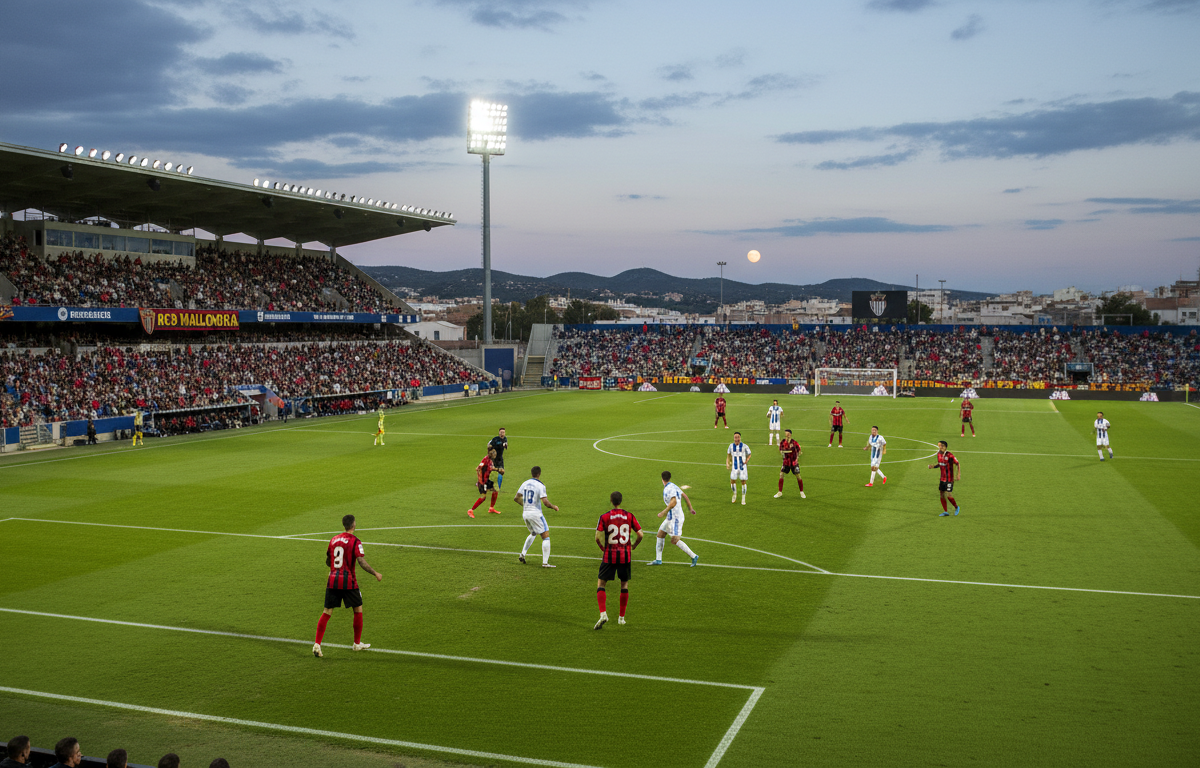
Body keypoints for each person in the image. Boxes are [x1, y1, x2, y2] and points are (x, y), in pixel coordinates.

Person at [313, 514, 382, 658]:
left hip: (332, 580)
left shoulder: (333, 540)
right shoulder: (355, 541)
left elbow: (328, 560)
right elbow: (361, 562)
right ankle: (357, 644)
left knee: (327, 612)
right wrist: (375, 573)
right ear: (354, 524)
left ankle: (317, 644)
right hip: (349, 581)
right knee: (358, 609)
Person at [594, 490, 644, 629]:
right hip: (625, 555)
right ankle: (621, 618)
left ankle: (603, 613)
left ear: (611, 501)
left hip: (609, 555)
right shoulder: (629, 516)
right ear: (621, 501)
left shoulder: (604, 517)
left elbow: (597, 537)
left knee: (601, 584)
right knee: (624, 585)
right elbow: (640, 534)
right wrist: (633, 545)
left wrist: (604, 550)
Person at [649, 470, 699, 566]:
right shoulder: (673, 485)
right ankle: (658, 559)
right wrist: (690, 508)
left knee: (674, 540)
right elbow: (684, 495)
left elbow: (673, 502)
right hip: (670, 517)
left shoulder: (668, 489)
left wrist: (664, 512)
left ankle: (694, 556)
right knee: (660, 534)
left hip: (675, 518)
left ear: (662, 479)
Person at [515, 466, 559, 567]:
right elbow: (545, 502)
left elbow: (516, 498)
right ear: (539, 474)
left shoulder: (524, 483)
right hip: (536, 514)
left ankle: (523, 554)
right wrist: (554, 507)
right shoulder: (540, 485)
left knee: (533, 533)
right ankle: (545, 562)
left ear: (532, 473)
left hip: (525, 513)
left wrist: (526, 505)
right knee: (545, 536)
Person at [928, 440, 961, 516]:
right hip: (942, 479)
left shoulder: (950, 455)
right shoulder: (938, 454)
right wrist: (933, 466)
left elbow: (957, 463)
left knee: (949, 495)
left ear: (945, 447)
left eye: (941, 446)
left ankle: (956, 507)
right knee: (942, 494)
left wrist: (958, 474)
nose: (940, 447)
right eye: (939, 446)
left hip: (949, 479)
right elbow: (940, 464)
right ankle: (945, 511)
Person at [468, 448, 500, 518]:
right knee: (483, 497)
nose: (495, 453)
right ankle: (471, 510)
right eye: (493, 452)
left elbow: (491, 468)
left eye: (495, 452)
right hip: (482, 482)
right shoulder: (485, 460)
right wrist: (480, 481)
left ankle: (491, 508)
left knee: (495, 491)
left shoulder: (490, 460)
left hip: (487, 480)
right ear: (489, 453)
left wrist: (497, 469)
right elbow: (478, 469)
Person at [775, 428, 805, 499]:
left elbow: (799, 450)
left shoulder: (794, 442)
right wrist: (784, 453)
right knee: (781, 474)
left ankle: (801, 492)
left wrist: (797, 456)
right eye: (786, 433)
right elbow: (781, 450)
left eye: (788, 433)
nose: (787, 434)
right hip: (786, 462)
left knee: (798, 476)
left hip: (794, 462)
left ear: (790, 434)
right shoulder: (782, 442)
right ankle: (780, 492)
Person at [727, 431, 751, 504]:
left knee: (743, 482)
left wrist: (746, 460)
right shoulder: (731, 446)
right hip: (734, 467)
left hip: (742, 467)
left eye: (738, 437)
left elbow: (749, 454)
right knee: (732, 481)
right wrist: (728, 463)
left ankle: (743, 498)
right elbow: (728, 455)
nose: (737, 439)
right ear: (734, 438)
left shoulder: (744, 446)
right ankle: (734, 494)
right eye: (735, 437)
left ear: (740, 438)